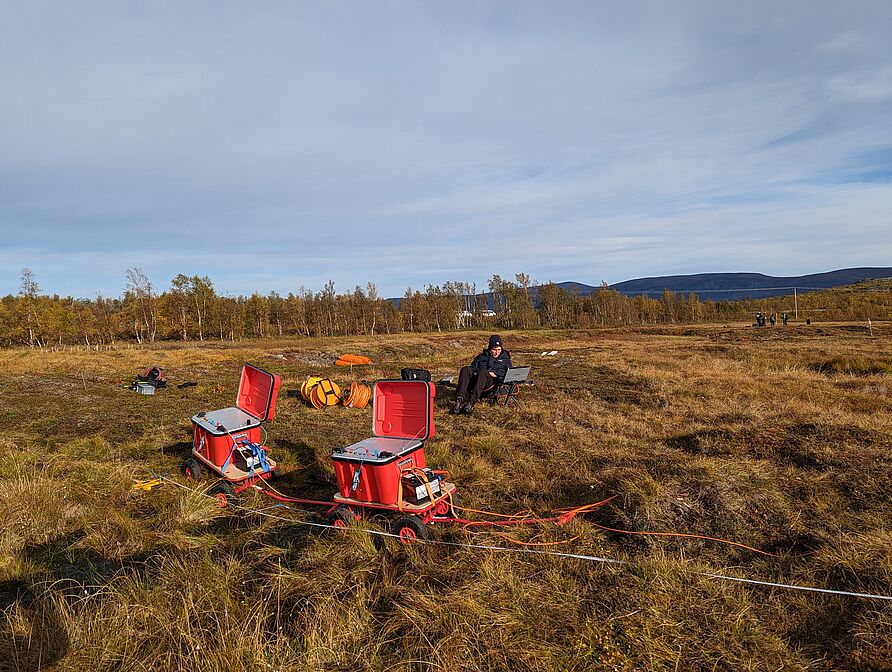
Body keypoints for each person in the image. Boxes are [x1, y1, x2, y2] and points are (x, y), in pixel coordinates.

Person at [451, 335, 512, 415]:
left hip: (491, 383)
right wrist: (476, 372)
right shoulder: (482, 356)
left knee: (483, 372)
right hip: (477, 380)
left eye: (499, 350)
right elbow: (473, 367)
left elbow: (509, 374)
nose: (497, 352)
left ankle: (471, 402)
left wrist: (496, 374)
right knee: (466, 369)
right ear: (490, 348)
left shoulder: (505, 358)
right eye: (494, 349)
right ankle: (459, 400)